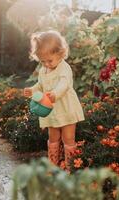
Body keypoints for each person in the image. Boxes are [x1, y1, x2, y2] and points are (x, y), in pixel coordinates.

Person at [24, 30, 85, 171]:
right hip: (51, 110)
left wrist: (55, 94)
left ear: (61, 53)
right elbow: (40, 85)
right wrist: (32, 90)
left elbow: (64, 84)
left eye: (49, 60)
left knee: (68, 138)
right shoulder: (43, 70)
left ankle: (70, 167)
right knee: (53, 137)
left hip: (66, 108)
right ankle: (53, 165)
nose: (46, 64)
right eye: (42, 61)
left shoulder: (64, 68)